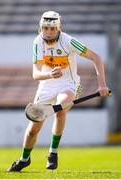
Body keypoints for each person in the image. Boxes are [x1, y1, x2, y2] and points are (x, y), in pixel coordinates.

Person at [7, 11, 109, 172]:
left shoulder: (69, 41)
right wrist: (49, 74)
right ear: (40, 28)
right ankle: (24, 159)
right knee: (34, 128)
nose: (48, 32)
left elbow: (96, 57)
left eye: (52, 28)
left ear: (58, 28)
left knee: (60, 109)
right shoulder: (37, 42)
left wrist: (102, 85)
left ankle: (52, 153)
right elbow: (36, 74)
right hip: (47, 83)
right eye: (45, 28)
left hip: (69, 83)